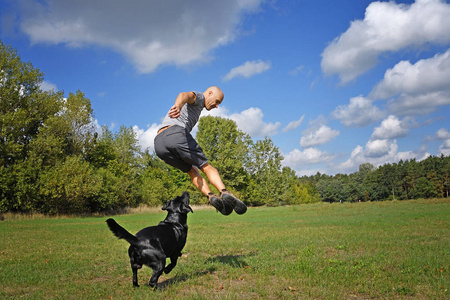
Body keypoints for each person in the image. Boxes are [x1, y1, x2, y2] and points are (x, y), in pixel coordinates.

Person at [154, 86, 247, 215]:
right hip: (175, 133)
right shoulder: (200, 97)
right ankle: (225, 192)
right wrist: (178, 106)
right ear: (209, 93)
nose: (216, 106)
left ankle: (210, 195)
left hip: (159, 144)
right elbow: (184, 95)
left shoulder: (197, 108)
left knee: (192, 171)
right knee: (206, 166)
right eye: (217, 101)